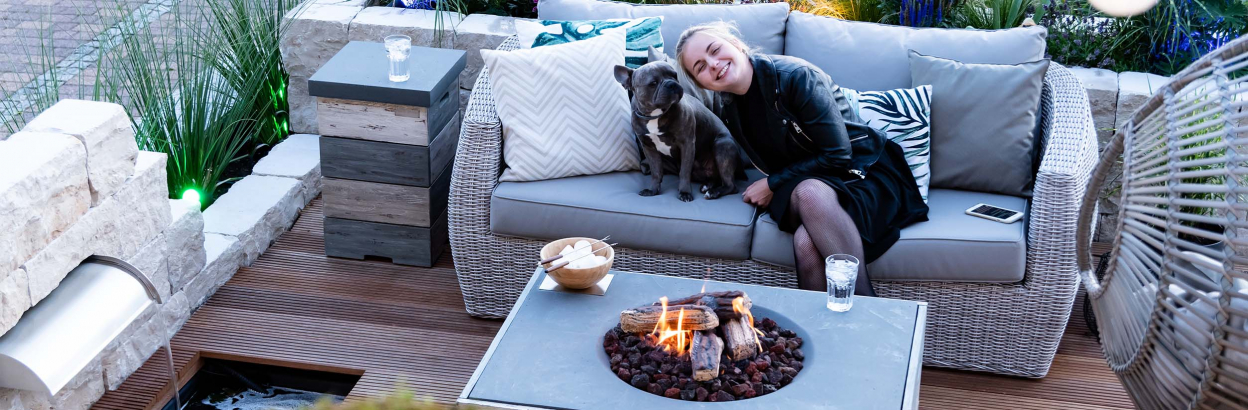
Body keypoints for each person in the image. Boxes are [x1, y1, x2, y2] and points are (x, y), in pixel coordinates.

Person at [675, 22, 929, 295]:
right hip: (809, 183)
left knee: (806, 237)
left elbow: (839, 155)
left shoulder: (797, 76)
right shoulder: (727, 105)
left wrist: (772, 184)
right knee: (807, 214)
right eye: (700, 67)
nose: (713, 64)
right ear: (699, 82)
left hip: (860, 172)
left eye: (715, 50)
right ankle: (840, 328)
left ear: (736, 44)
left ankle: (865, 306)